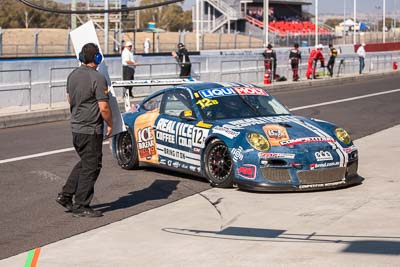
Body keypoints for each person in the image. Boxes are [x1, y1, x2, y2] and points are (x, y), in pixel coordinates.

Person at [56, 43, 113, 218]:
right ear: (97, 59)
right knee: (93, 166)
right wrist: (110, 124)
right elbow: (103, 107)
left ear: (82, 57)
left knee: (85, 163)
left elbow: (69, 99)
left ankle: (66, 196)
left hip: (77, 128)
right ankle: (81, 205)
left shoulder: (72, 76)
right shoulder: (98, 78)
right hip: (91, 130)